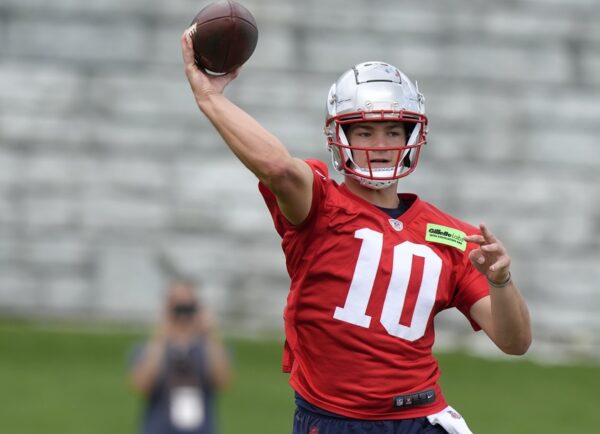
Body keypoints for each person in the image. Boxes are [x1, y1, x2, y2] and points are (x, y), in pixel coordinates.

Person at [181, 28, 531, 434]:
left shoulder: (451, 235)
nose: (379, 144)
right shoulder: (319, 206)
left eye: (392, 131)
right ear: (339, 137)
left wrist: (502, 280)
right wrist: (210, 98)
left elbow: (514, 342)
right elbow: (277, 167)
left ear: (412, 136)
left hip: (421, 418)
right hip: (336, 420)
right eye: (364, 131)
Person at [130, 280, 232, 434]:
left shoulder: (209, 348)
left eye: (188, 307)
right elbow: (142, 385)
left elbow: (223, 382)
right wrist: (161, 337)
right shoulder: (148, 348)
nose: (183, 315)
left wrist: (210, 334)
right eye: (178, 307)